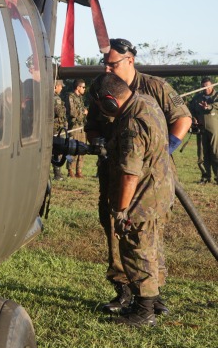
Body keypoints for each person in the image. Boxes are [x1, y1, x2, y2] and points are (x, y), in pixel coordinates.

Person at [85, 38, 192, 315]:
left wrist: (162, 151)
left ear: (129, 60)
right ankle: (127, 291)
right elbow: (93, 127)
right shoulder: (103, 90)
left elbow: (183, 119)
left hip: (144, 178)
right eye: (104, 64)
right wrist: (97, 143)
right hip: (115, 173)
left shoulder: (154, 88)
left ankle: (149, 296)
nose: (107, 69)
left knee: (144, 233)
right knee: (116, 230)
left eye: (112, 64)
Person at [89, 73, 173, 326]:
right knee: (152, 247)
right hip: (159, 190)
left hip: (142, 197)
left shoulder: (131, 125)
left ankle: (144, 311)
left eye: (101, 105)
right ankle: (154, 300)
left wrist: (120, 210)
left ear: (110, 100)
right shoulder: (146, 102)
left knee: (137, 248)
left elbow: (129, 174)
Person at [189, 77, 218, 184]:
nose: (205, 88)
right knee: (202, 153)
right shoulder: (197, 98)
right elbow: (190, 109)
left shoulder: (216, 96)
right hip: (201, 130)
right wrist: (193, 117)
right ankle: (205, 177)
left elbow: (216, 105)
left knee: (215, 152)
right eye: (203, 86)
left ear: (212, 85)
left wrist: (208, 107)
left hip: (215, 130)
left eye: (207, 86)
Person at [66, 79, 88, 178]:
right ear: (78, 87)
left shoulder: (80, 98)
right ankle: (70, 169)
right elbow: (72, 112)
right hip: (74, 126)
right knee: (72, 149)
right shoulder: (70, 97)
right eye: (83, 87)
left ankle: (79, 170)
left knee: (82, 149)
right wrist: (83, 113)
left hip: (81, 126)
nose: (84, 89)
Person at [52, 79, 67, 180]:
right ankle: (57, 174)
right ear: (55, 86)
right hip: (55, 129)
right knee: (57, 151)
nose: (61, 88)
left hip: (52, 128)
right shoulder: (56, 98)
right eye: (60, 86)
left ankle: (58, 173)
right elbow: (60, 113)